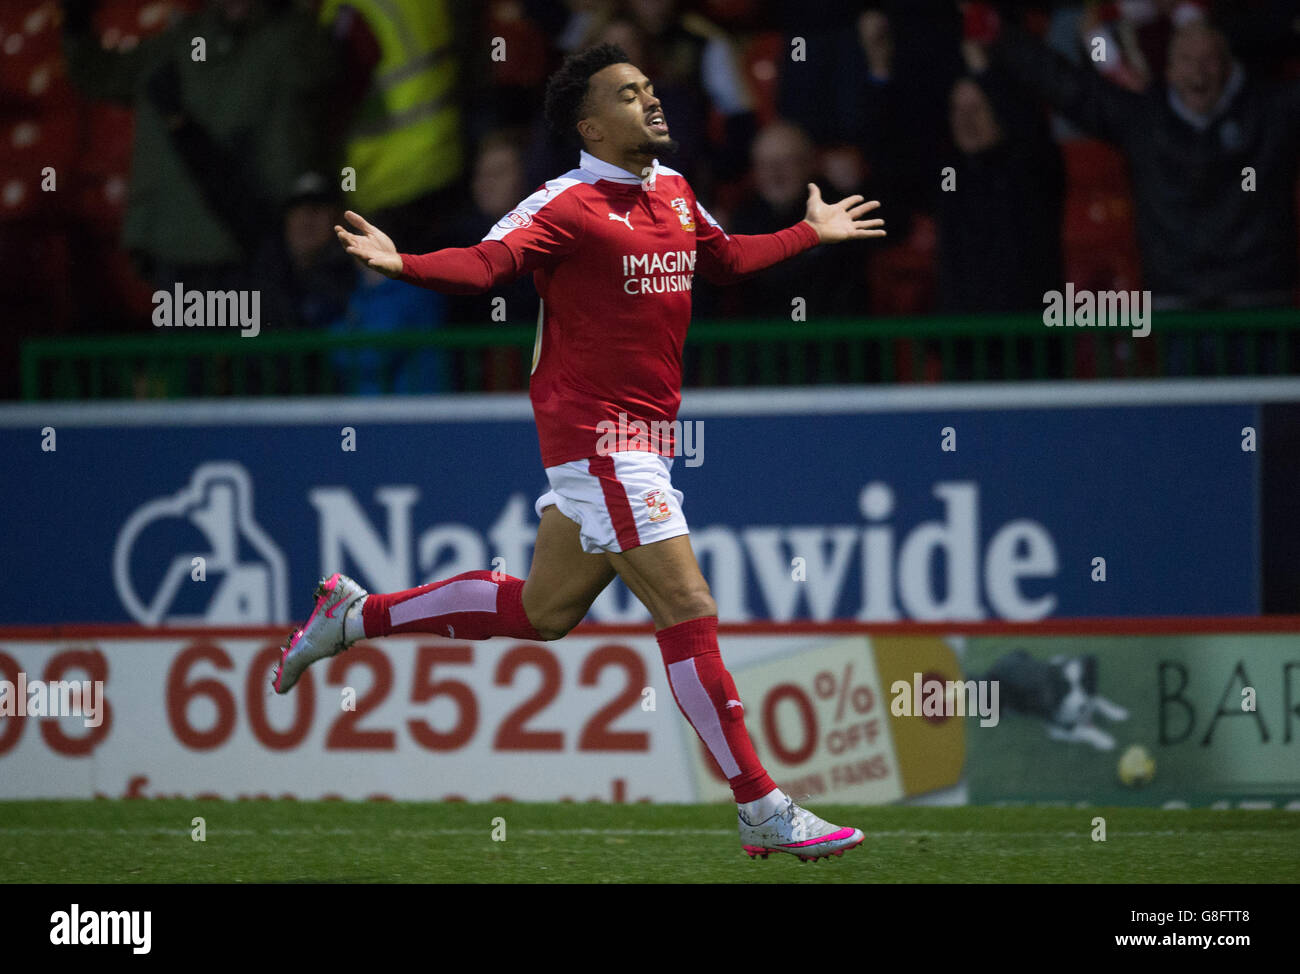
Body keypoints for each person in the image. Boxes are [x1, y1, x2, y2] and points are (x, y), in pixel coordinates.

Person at [273, 43, 886, 861]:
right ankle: (760, 806)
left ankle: (351, 615)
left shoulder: (673, 190)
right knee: (689, 609)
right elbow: (488, 265)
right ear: (590, 124)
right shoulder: (563, 205)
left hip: (647, 444)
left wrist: (809, 232)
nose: (653, 102)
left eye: (650, 88)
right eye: (630, 95)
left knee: (542, 611)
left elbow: (728, 260)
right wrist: (404, 263)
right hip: (602, 443)